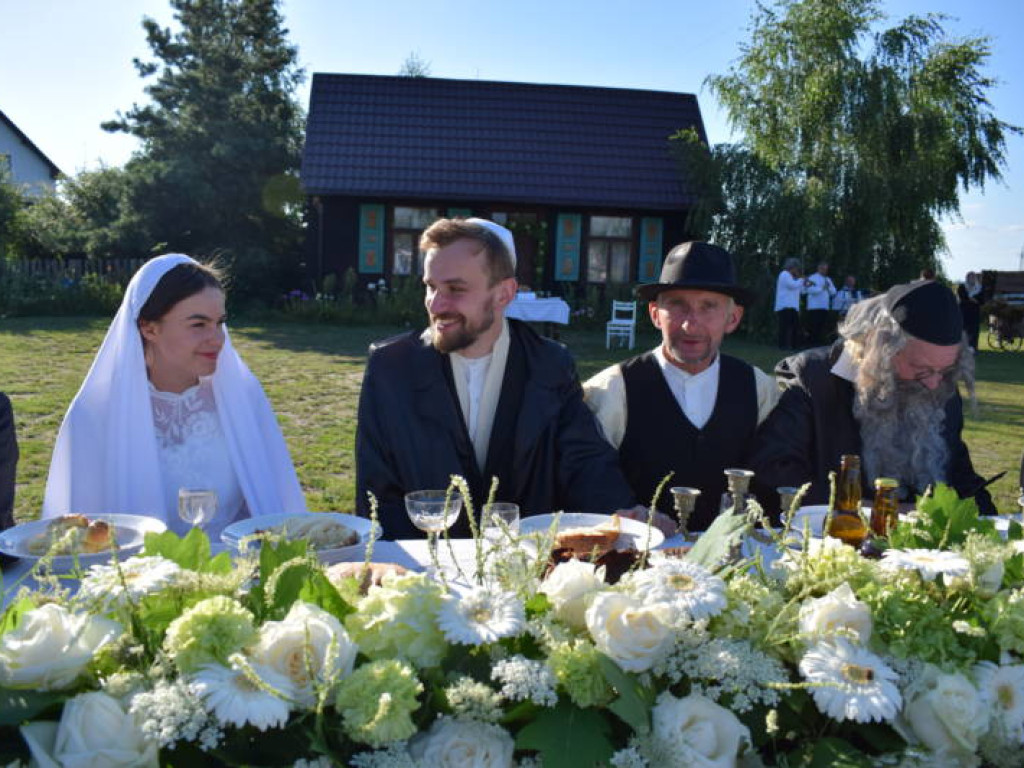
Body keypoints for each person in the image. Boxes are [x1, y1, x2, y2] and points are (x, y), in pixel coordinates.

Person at [356, 217, 636, 539]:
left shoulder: (549, 364)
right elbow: (374, 492)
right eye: (431, 287)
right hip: (424, 571)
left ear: (504, 293)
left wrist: (623, 512)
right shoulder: (391, 368)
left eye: (456, 289)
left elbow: (583, 459)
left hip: (524, 566)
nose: (436, 304)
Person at [43, 254, 306, 537]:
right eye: (198, 324)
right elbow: (77, 536)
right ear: (149, 327)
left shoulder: (241, 401)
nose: (217, 339)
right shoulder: (95, 413)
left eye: (220, 323)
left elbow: (269, 508)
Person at [749, 279, 995, 516]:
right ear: (881, 349)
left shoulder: (940, 387)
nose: (933, 384)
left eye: (944, 371)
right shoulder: (811, 378)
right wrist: (875, 511)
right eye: (921, 370)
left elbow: (959, 473)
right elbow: (774, 472)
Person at [584, 242, 780, 532]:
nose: (691, 324)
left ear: (733, 318)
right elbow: (589, 477)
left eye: (708, 306)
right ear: (654, 314)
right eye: (677, 305)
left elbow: (774, 475)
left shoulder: (759, 389)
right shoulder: (611, 389)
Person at [804, 262, 837, 345]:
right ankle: (810, 344)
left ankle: (818, 344)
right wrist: (822, 288)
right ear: (818, 268)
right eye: (823, 269)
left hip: (824, 307)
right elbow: (809, 290)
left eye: (826, 269)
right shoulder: (812, 278)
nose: (825, 271)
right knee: (813, 327)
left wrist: (828, 287)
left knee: (821, 327)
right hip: (814, 307)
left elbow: (834, 292)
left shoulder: (828, 279)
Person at [774, 258, 803, 350]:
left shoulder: (793, 278)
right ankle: (782, 345)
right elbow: (792, 285)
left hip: (792, 306)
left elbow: (798, 290)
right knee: (784, 327)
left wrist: (803, 284)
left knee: (794, 326)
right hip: (785, 305)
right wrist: (802, 280)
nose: (797, 270)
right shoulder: (784, 274)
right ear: (792, 267)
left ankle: (794, 345)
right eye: (796, 268)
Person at [957, 271, 983, 351]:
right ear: (967, 278)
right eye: (969, 277)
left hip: (975, 312)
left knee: (974, 330)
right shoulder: (962, 287)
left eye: (973, 277)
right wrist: (973, 300)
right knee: (963, 330)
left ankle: (973, 347)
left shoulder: (979, 288)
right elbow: (963, 298)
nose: (971, 279)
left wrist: (970, 299)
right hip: (963, 312)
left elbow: (982, 300)